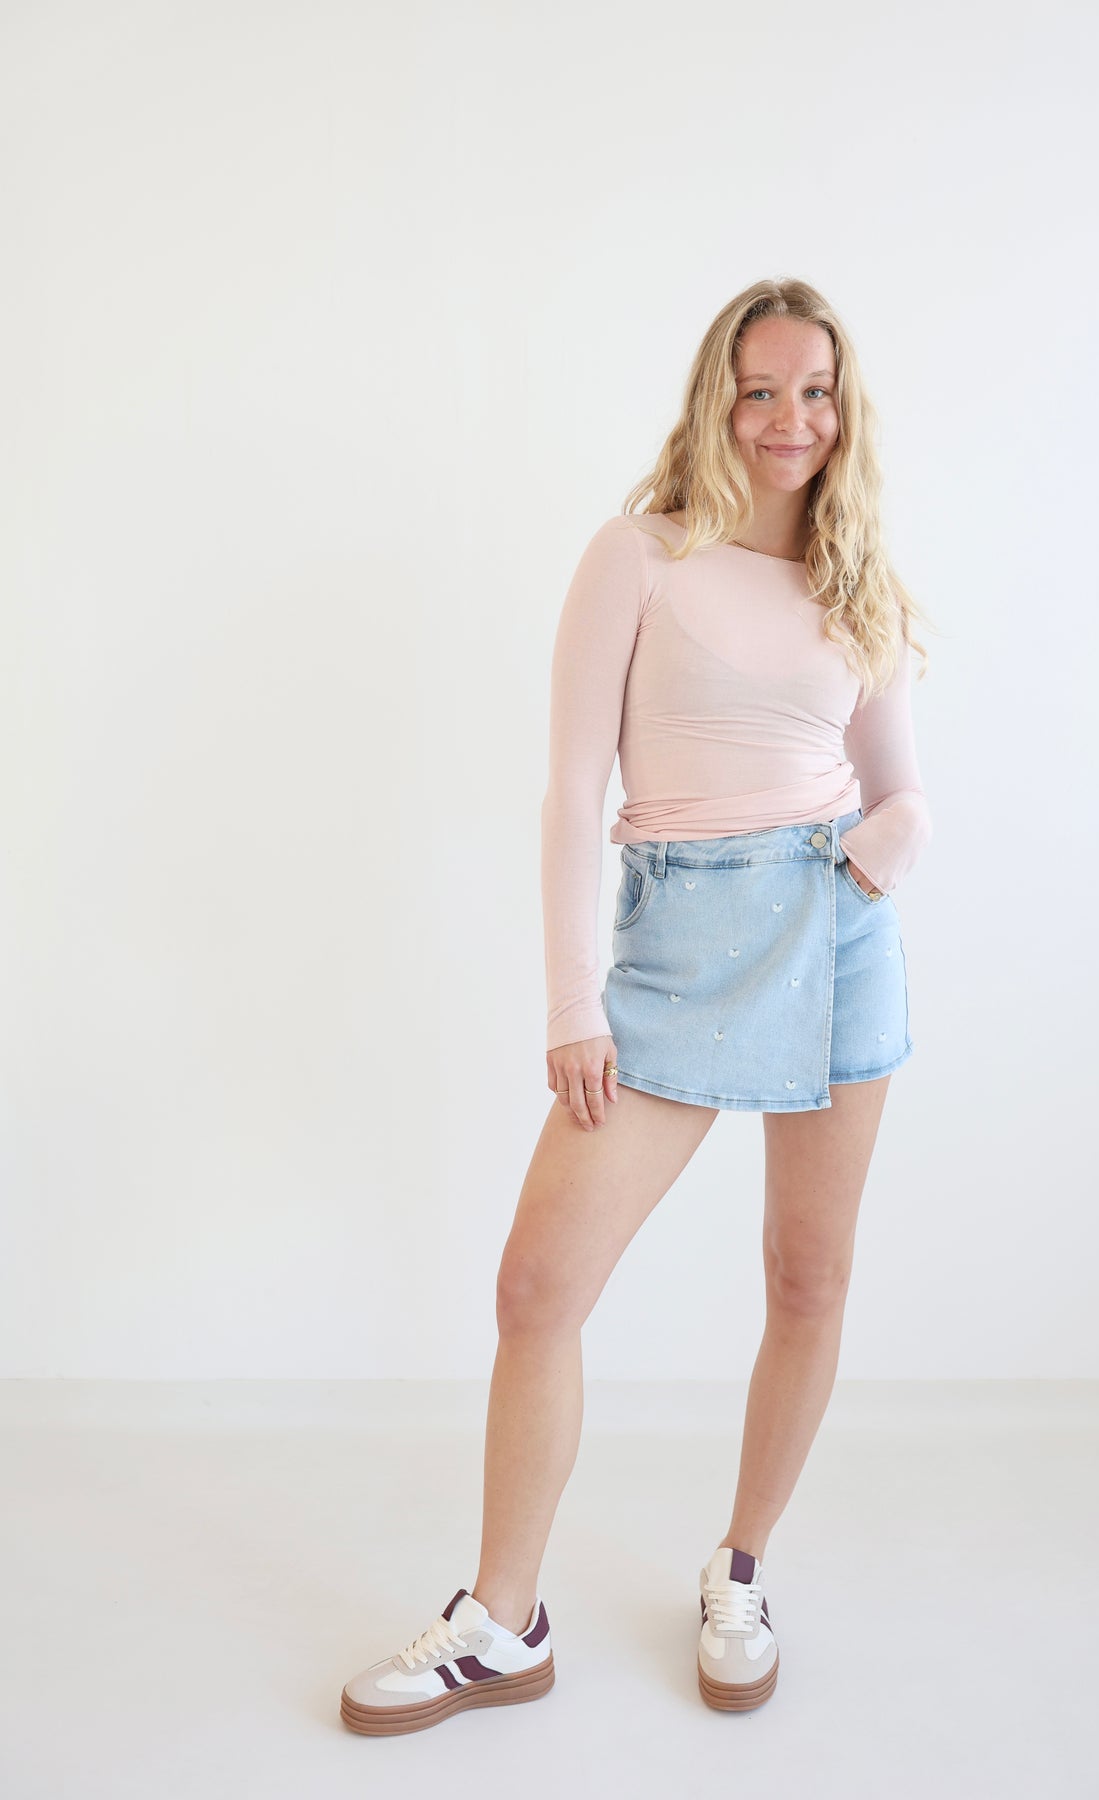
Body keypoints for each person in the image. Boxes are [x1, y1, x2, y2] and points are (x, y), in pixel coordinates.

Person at [340, 276, 934, 1733]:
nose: (790, 418)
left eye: (815, 390)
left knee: (809, 1278)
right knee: (538, 1286)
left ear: (843, 407)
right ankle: (505, 1620)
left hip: (835, 939)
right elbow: (570, 790)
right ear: (716, 399)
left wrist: (875, 856)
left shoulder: (853, 577)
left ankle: (742, 1571)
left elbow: (906, 792)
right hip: (674, 951)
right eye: (760, 388)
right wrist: (571, 1003)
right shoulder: (641, 554)